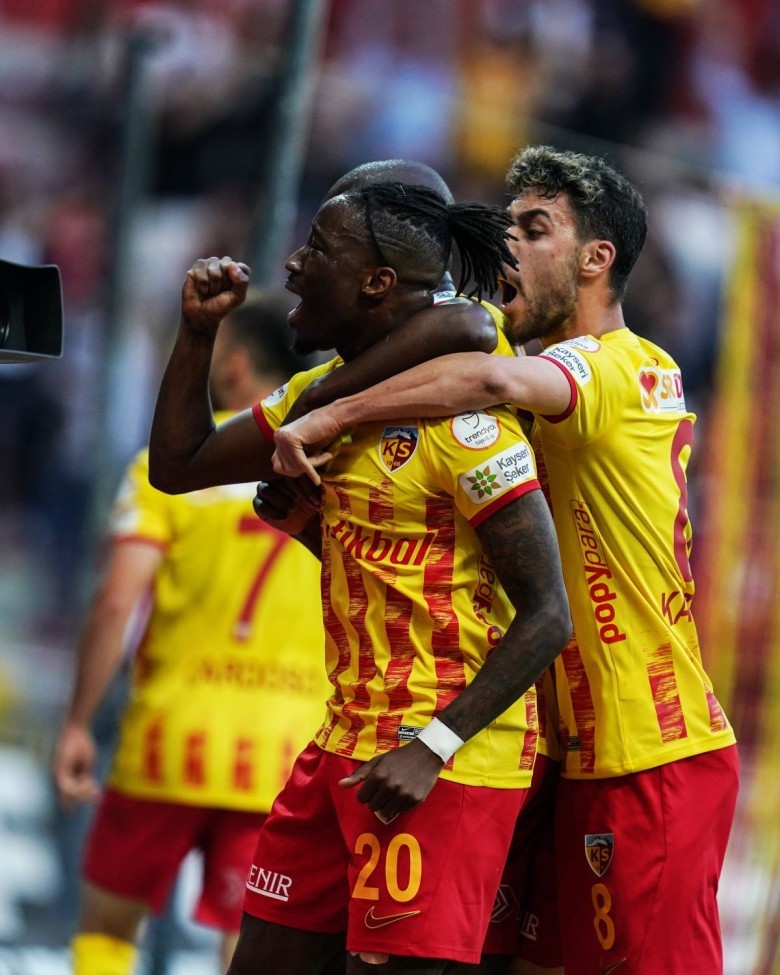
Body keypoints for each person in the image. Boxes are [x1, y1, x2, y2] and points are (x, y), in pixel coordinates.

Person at [271, 146, 740, 975]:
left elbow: (485, 375)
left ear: (596, 259)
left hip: (647, 747)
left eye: (535, 229)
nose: (507, 246)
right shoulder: (527, 384)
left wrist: (328, 411)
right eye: (505, 225)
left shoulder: (621, 364)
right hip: (547, 750)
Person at [147, 182, 571, 974]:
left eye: (319, 249)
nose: (293, 263)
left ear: (377, 282)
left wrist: (434, 746)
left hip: (441, 760)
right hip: (342, 740)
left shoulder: (466, 419)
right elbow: (177, 465)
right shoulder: (317, 398)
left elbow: (549, 613)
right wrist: (197, 334)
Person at [51, 291, 331, 975]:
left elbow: (117, 602)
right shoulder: (336, 466)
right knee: (249, 943)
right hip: (283, 756)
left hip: (166, 742)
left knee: (107, 928)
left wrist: (79, 721)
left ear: (235, 366)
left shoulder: (170, 467)